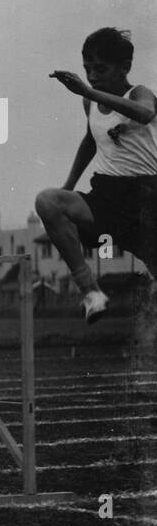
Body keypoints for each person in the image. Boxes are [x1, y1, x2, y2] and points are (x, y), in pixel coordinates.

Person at [35, 28, 157, 323]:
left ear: (124, 67)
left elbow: (145, 113)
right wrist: (68, 186)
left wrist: (88, 91)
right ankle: (91, 293)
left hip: (147, 199)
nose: (92, 76)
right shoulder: (89, 102)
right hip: (107, 196)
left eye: (100, 69)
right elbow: (90, 140)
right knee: (49, 201)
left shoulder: (138, 93)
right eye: (87, 70)